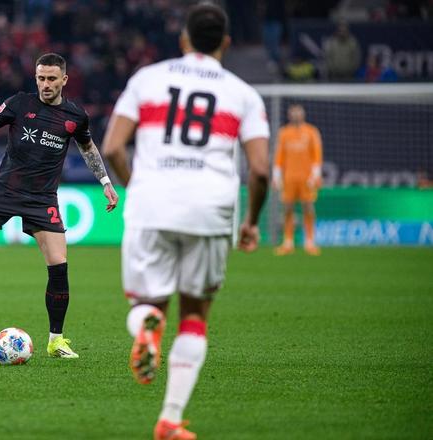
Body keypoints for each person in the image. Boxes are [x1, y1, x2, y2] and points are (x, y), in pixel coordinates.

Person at [102, 4, 269, 439]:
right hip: (211, 210)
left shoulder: (147, 79)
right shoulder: (243, 94)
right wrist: (251, 221)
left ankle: (147, 326)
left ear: (183, 39)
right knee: (194, 315)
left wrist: (137, 188)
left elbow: (113, 147)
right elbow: (260, 170)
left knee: (146, 304)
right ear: (226, 43)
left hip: (152, 204)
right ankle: (170, 419)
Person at [0, 53, 119, 359]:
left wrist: (105, 182)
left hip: (42, 199)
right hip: (5, 190)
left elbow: (88, 149)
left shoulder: (76, 116)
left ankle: (56, 340)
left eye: (51, 79)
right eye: (41, 78)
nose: (45, 84)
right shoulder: (19, 104)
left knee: (59, 267)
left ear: (64, 79)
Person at [272, 104, 323, 256]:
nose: (296, 115)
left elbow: (317, 155)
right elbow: (279, 156)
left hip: (306, 177)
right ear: (289, 115)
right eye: (293, 113)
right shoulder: (284, 133)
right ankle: (288, 242)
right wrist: (276, 176)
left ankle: (310, 242)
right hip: (289, 177)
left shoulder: (311, 131)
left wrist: (315, 174)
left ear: (303, 114)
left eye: (298, 112)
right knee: (287, 208)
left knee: (308, 207)